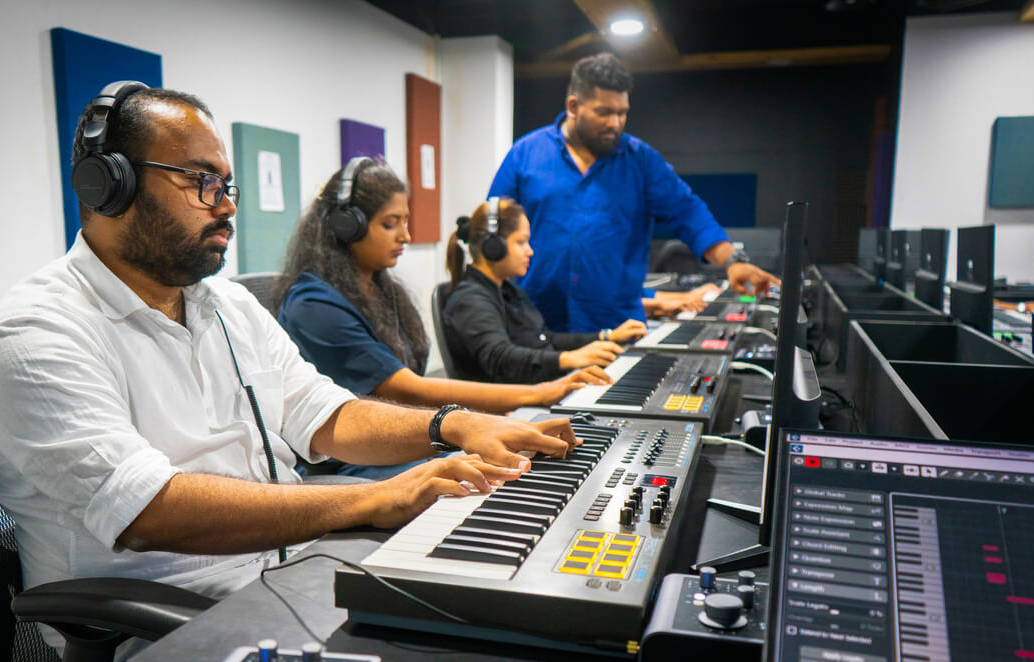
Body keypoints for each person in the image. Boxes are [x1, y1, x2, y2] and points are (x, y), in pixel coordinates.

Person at [0, 83, 579, 619]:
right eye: (201, 182)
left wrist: (453, 426)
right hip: (155, 626)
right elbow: (150, 509)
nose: (228, 204)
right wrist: (372, 497)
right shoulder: (36, 334)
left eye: (226, 184)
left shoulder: (223, 304)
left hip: (286, 572)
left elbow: (323, 412)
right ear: (109, 186)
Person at [272, 158, 610, 424]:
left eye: (405, 221)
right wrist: (539, 393)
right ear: (346, 226)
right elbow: (407, 389)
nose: (405, 236)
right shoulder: (314, 306)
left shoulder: (378, 290)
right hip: (359, 459)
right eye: (391, 224)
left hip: (402, 431)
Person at [489, 53, 781, 333]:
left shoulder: (642, 161)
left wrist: (733, 261)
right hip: (535, 324)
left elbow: (690, 214)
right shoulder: (525, 155)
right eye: (604, 112)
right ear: (574, 106)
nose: (615, 123)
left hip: (615, 329)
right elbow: (493, 229)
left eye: (622, 113)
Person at [442, 197, 649, 383]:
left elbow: (545, 339)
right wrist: (569, 359)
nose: (530, 251)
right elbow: (500, 359)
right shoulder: (471, 299)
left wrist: (607, 336)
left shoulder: (506, 291)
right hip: (511, 411)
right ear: (493, 246)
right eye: (521, 242)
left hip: (538, 389)